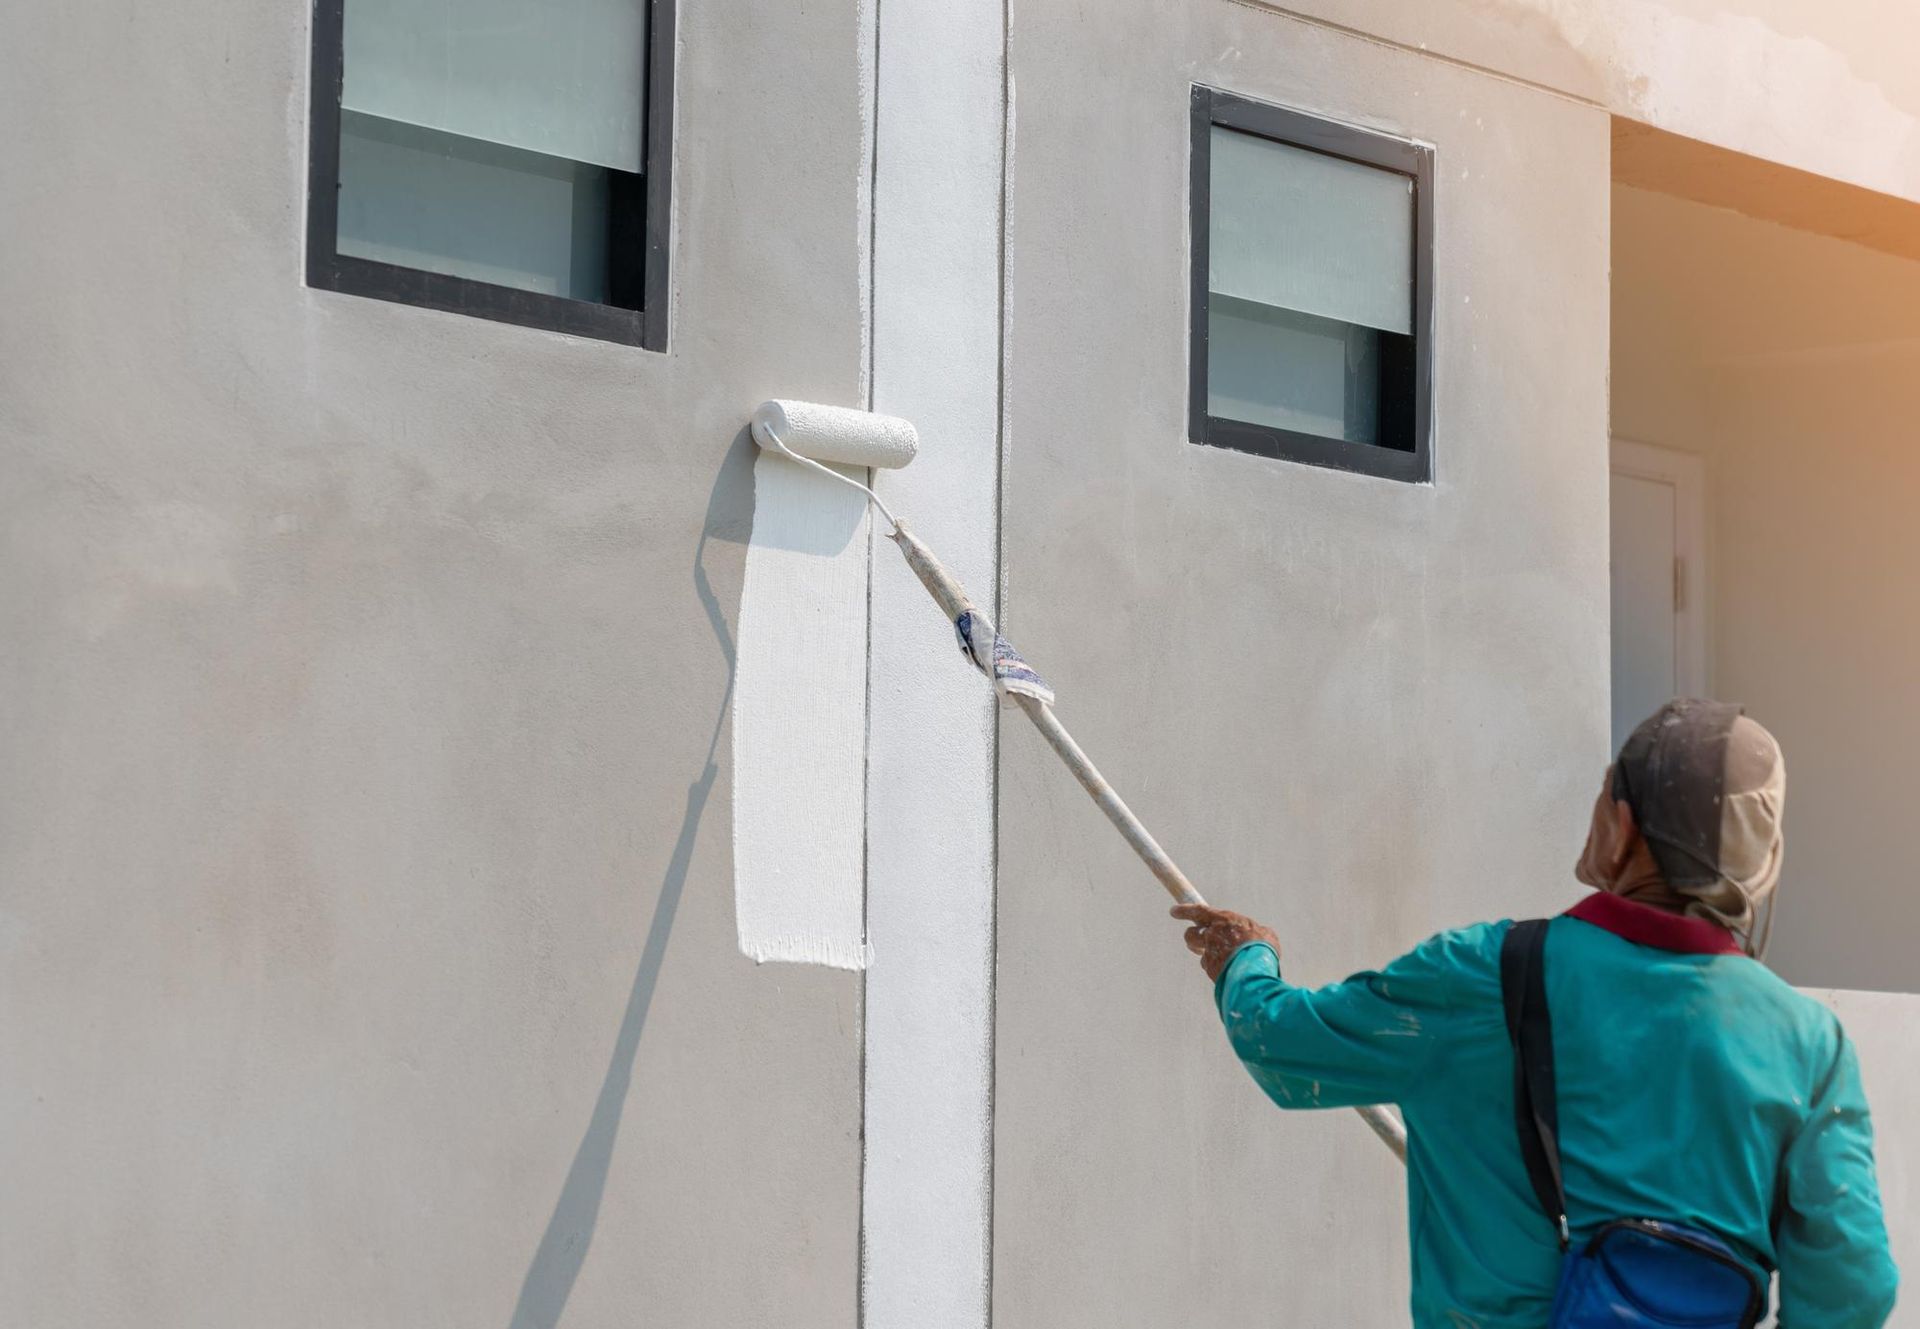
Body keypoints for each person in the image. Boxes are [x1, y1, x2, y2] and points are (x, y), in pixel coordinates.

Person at [1174, 700, 1898, 1327]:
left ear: (1620, 826)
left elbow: (1279, 1045)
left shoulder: (1484, 974)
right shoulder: (1810, 1046)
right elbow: (1855, 1288)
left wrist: (1247, 957)